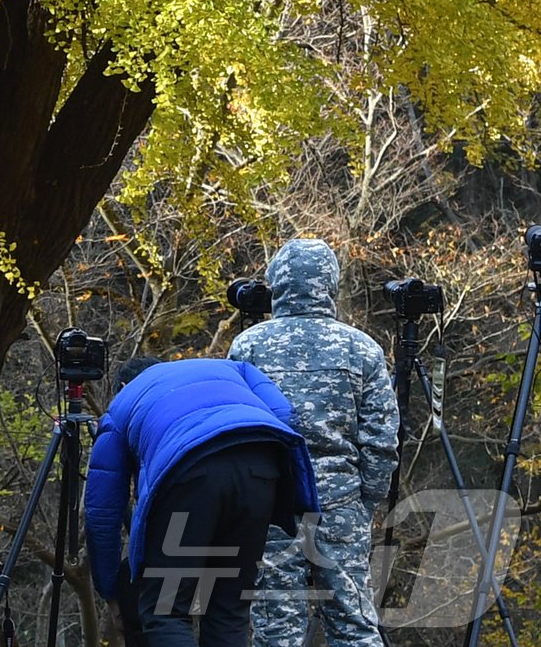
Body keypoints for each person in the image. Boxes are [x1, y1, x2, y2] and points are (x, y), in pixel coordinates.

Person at [227, 239, 398, 647]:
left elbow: (236, 428)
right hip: (340, 503)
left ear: (278, 284)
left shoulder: (248, 346)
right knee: (353, 625)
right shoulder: (363, 349)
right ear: (330, 284)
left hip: (271, 503)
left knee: (277, 628)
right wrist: (364, 499)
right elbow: (382, 439)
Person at [84, 356, 320, 647]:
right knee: (229, 610)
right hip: (261, 467)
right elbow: (285, 415)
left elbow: (102, 514)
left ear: (121, 385)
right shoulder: (234, 368)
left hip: (189, 474)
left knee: (165, 612)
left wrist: (111, 592)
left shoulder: (121, 406)